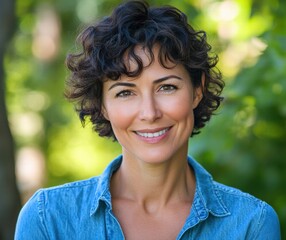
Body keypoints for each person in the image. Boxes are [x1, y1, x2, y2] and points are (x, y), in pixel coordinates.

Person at [15, 1, 281, 239]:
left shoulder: (251, 224)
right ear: (103, 105)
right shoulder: (47, 219)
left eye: (167, 87)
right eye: (125, 93)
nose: (150, 112)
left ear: (197, 91)